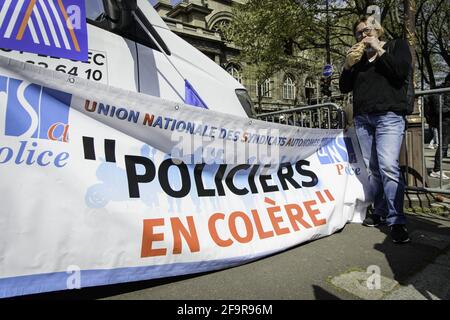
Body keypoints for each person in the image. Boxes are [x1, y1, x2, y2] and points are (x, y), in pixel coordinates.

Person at [339, 15, 411, 243]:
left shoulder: (396, 45)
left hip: (389, 116)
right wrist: (347, 66)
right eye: (359, 32)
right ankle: (379, 212)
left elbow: (400, 72)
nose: (363, 34)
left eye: (368, 30)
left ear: (379, 30)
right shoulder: (359, 60)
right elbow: (344, 87)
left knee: (389, 166)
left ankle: (396, 220)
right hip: (363, 119)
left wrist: (379, 49)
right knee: (373, 170)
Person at [429, 74, 450, 180]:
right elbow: (440, 109)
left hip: (445, 120)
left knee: (443, 145)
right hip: (445, 120)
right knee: (443, 145)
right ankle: (436, 170)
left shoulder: (442, 89)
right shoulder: (442, 91)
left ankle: (437, 169)